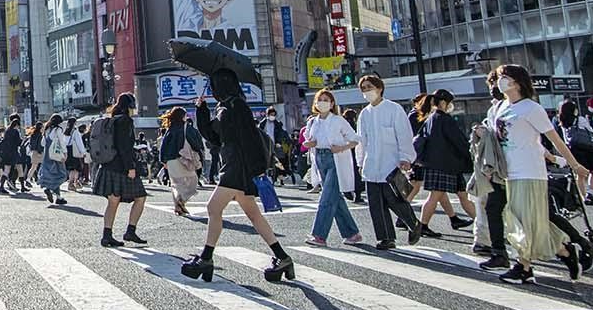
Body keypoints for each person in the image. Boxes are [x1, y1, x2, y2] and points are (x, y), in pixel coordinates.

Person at [181, 68, 293, 283]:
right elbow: (214, 137)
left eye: (214, 84)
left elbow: (249, 137)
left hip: (238, 165)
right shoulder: (226, 106)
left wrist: (258, 167)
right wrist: (202, 111)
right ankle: (282, 257)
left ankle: (206, 259)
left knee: (213, 208)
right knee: (253, 214)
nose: (213, 89)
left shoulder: (236, 106)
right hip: (232, 162)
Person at [486, 65, 591, 285]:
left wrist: (573, 164)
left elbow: (554, 139)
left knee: (525, 222)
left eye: (504, 77)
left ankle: (523, 267)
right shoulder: (502, 106)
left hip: (530, 171)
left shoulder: (531, 108)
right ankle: (564, 250)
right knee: (527, 221)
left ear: (516, 82)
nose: (500, 81)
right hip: (509, 172)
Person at [355, 75, 427, 250]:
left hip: (391, 163)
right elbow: (361, 140)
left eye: (369, 87)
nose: (367, 91)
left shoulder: (394, 109)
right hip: (371, 164)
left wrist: (406, 158)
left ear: (379, 88)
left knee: (394, 199)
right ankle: (385, 237)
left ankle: (413, 223)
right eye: (363, 88)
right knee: (375, 204)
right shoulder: (364, 114)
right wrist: (360, 161)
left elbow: (404, 135)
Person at [303, 89, 362, 247]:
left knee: (327, 198)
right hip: (319, 158)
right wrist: (310, 143)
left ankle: (319, 235)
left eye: (326, 100)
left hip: (335, 159)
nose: (322, 102)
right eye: (319, 99)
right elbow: (309, 139)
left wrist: (341, 148)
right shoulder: (312, 122)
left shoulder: (338, 120)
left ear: (332, 104)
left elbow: (355, 139)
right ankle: (352, 233)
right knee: (335, 197)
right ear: (315, 103)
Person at [416, 90, 475, 232]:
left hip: (437, 163)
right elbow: (458, 141)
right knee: (438, 196)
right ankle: (422, 225)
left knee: (460, 194)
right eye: (450, 103)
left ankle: (482, 224)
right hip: (447, 164)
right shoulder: (445, 119)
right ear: (443, 102)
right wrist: (470, 154)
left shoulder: (431, 118)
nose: (451, 105)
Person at [94, 95, 148, 247]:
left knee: (113, 202)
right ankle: (130, 230)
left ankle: (107, 235)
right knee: (140, 198)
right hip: (121, 167)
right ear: (130, 105)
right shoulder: (125, 121)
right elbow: (124, 146)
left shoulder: (112, 119)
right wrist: (130, 167)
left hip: (107, 165)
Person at [159, 106, 203, 215]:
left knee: (176, 184)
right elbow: (197, 143)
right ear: (183, 116)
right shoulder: (187, 128)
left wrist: (163, 160)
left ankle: (178, 206)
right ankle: (181, 202)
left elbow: (163, 146)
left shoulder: (170, 129)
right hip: (183, 158)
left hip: (170, 161)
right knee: (193, 181)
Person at [38, 114, 70, 205]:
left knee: (51, 175)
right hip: (56, 156)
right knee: (61, 175)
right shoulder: (58, 130)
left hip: (47, 156)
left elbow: (43, 143)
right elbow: (62, 142)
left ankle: (59, 197)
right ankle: (49, 189)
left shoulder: (46, 129)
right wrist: (65, 153)